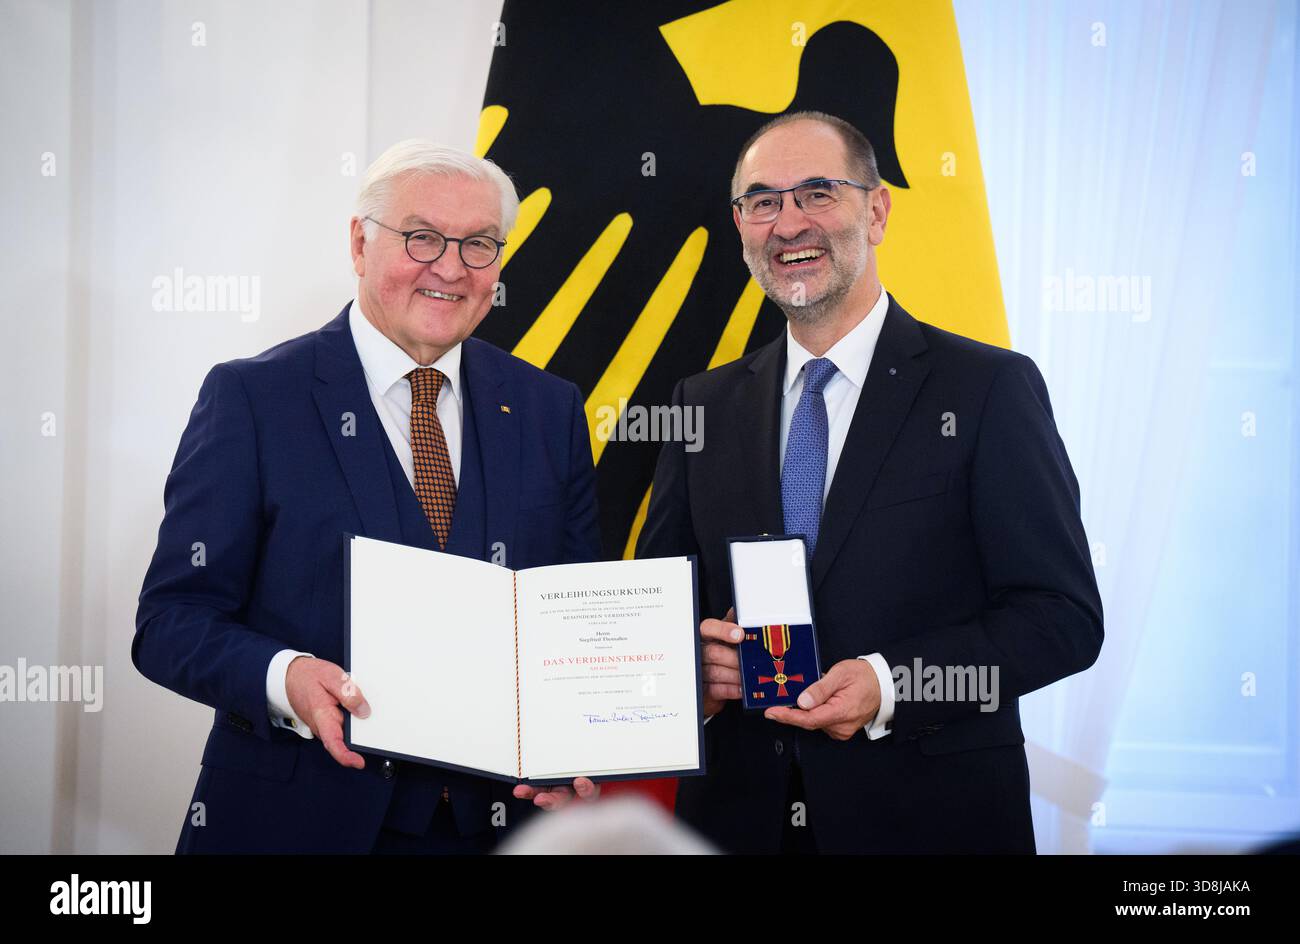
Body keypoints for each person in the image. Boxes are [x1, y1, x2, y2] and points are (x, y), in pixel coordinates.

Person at [637, 111, 1103, 853]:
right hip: (735, 823)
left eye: (818, 193)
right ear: (741, 226)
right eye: (763, 201)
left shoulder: (989, 389)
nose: (789, 223)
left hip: (931, 825)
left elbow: (1061, 619)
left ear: (877, 210)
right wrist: (690, 671)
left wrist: (892, 685)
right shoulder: (700, 404)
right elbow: (659, 606)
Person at [134, 140, 601, 854]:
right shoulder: (254, 399)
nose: (450, 267)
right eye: (421, 238)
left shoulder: (548, 408)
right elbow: (170, 621)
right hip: (298, 824)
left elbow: (572, 618)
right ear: (359, 242)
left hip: (501, 828)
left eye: (478, 245)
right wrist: (286, 678)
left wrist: (581, 733)